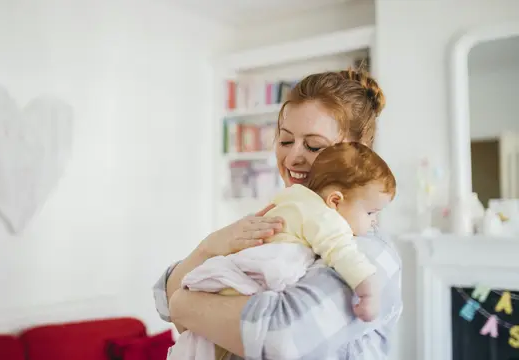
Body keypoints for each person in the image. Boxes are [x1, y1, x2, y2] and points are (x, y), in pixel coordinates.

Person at [153, 69, 402, 359]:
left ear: (358, 153)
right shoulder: (279, 220)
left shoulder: (368, 253)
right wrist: (210, 246)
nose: (293, 156)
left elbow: (279, 338)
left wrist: (185, 305)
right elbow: (165, 300)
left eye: (314, 146)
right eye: (285, 141)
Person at [166, 142, 397, 360]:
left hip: (225, 284)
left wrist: (184, 306)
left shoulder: (290, 197)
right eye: (370, 213)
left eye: (313, 146)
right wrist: (368, 294)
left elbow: (174, 304)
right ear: (335, 201)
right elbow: (345, 255)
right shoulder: (327, 218)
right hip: (249, 281)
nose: (374, 222)